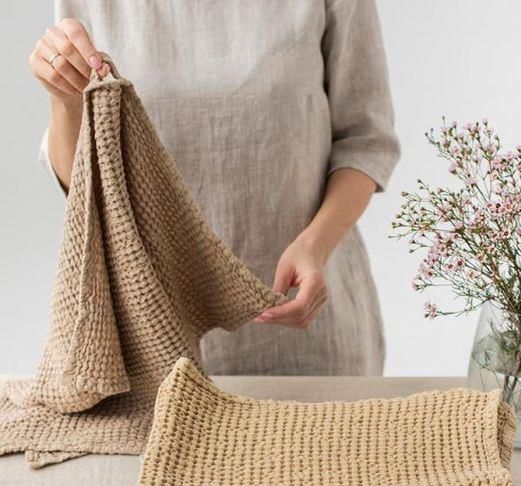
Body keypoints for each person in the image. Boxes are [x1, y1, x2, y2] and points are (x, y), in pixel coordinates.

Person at [29, 1, 400, 376]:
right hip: (152, 346)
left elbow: (365, 142)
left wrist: (315, 247)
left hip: (310, 331)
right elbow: (81, 179)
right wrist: (64, 100)